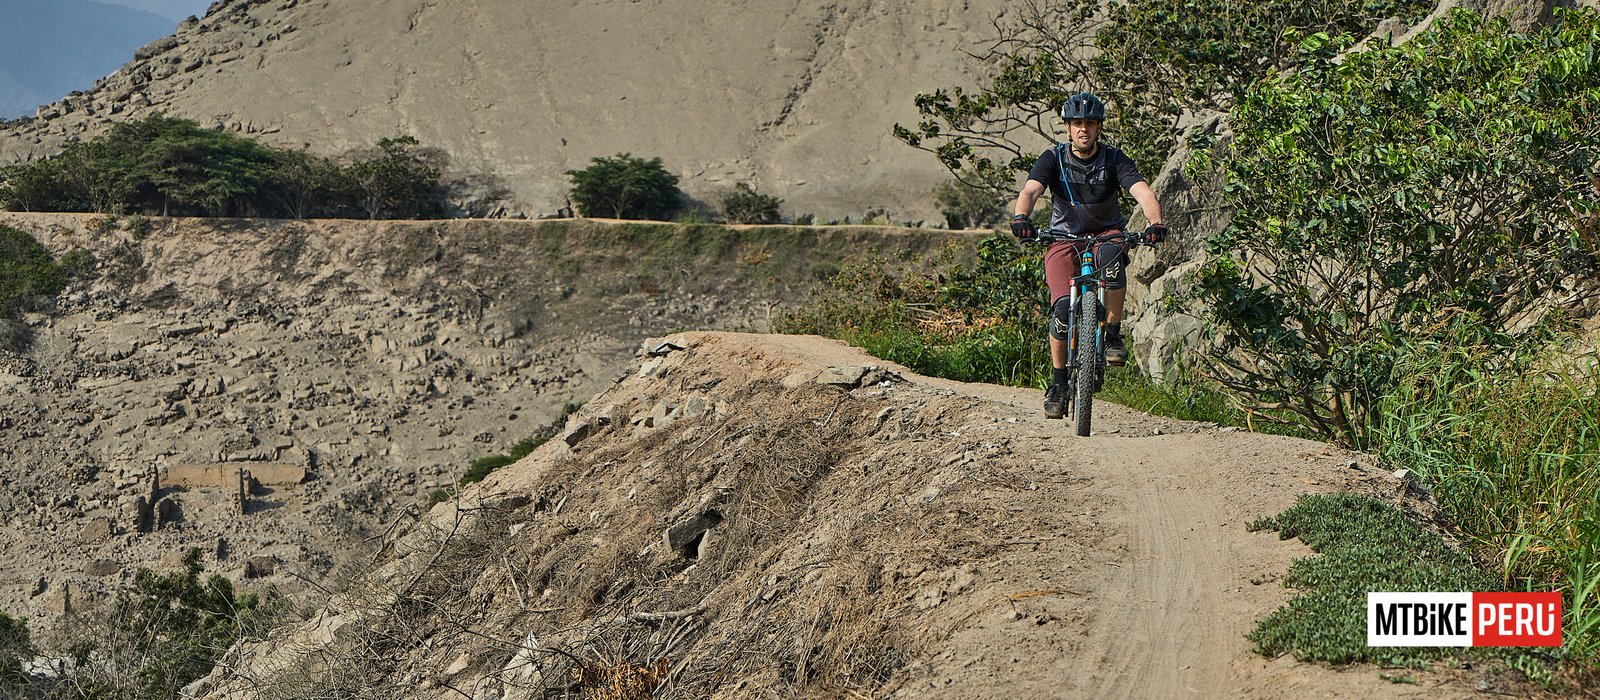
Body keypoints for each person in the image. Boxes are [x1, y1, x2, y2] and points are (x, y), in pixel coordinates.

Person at [1009, 91, 1167, 419]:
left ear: (1098, 128)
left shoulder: (1113, 159)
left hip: (1105, 234)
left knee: (1112, 262)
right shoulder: (1053, 158)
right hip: (1063, 239)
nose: (1084, 130)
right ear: (1068, 128)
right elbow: (1030, 191)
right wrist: (1022, 217)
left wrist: (1156, 222)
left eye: (1090, 124)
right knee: (1063, 312)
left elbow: (1143, 191)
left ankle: (1111, 336)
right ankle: (1058, 382)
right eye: (1077, 123)